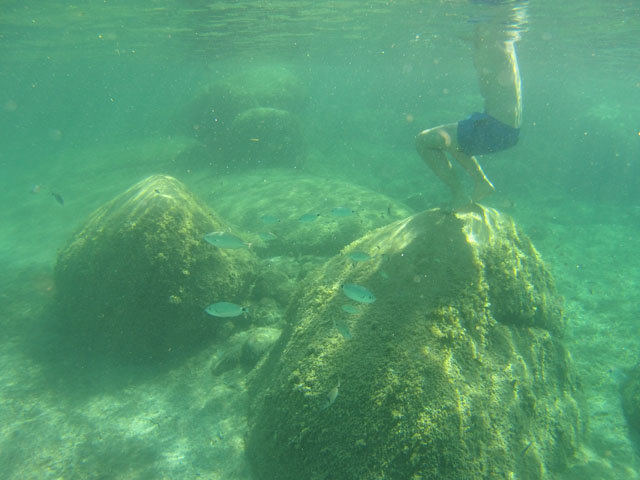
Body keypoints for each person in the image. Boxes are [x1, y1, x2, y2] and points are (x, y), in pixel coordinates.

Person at [415, 3, 525, 207]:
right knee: (453, 139)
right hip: (507, 127)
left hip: (495, 127)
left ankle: (459, 194)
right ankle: (482, 183)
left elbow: (485, 85)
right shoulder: (504, 45)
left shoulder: (493, 47)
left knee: (423, 141)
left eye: (478, 26)